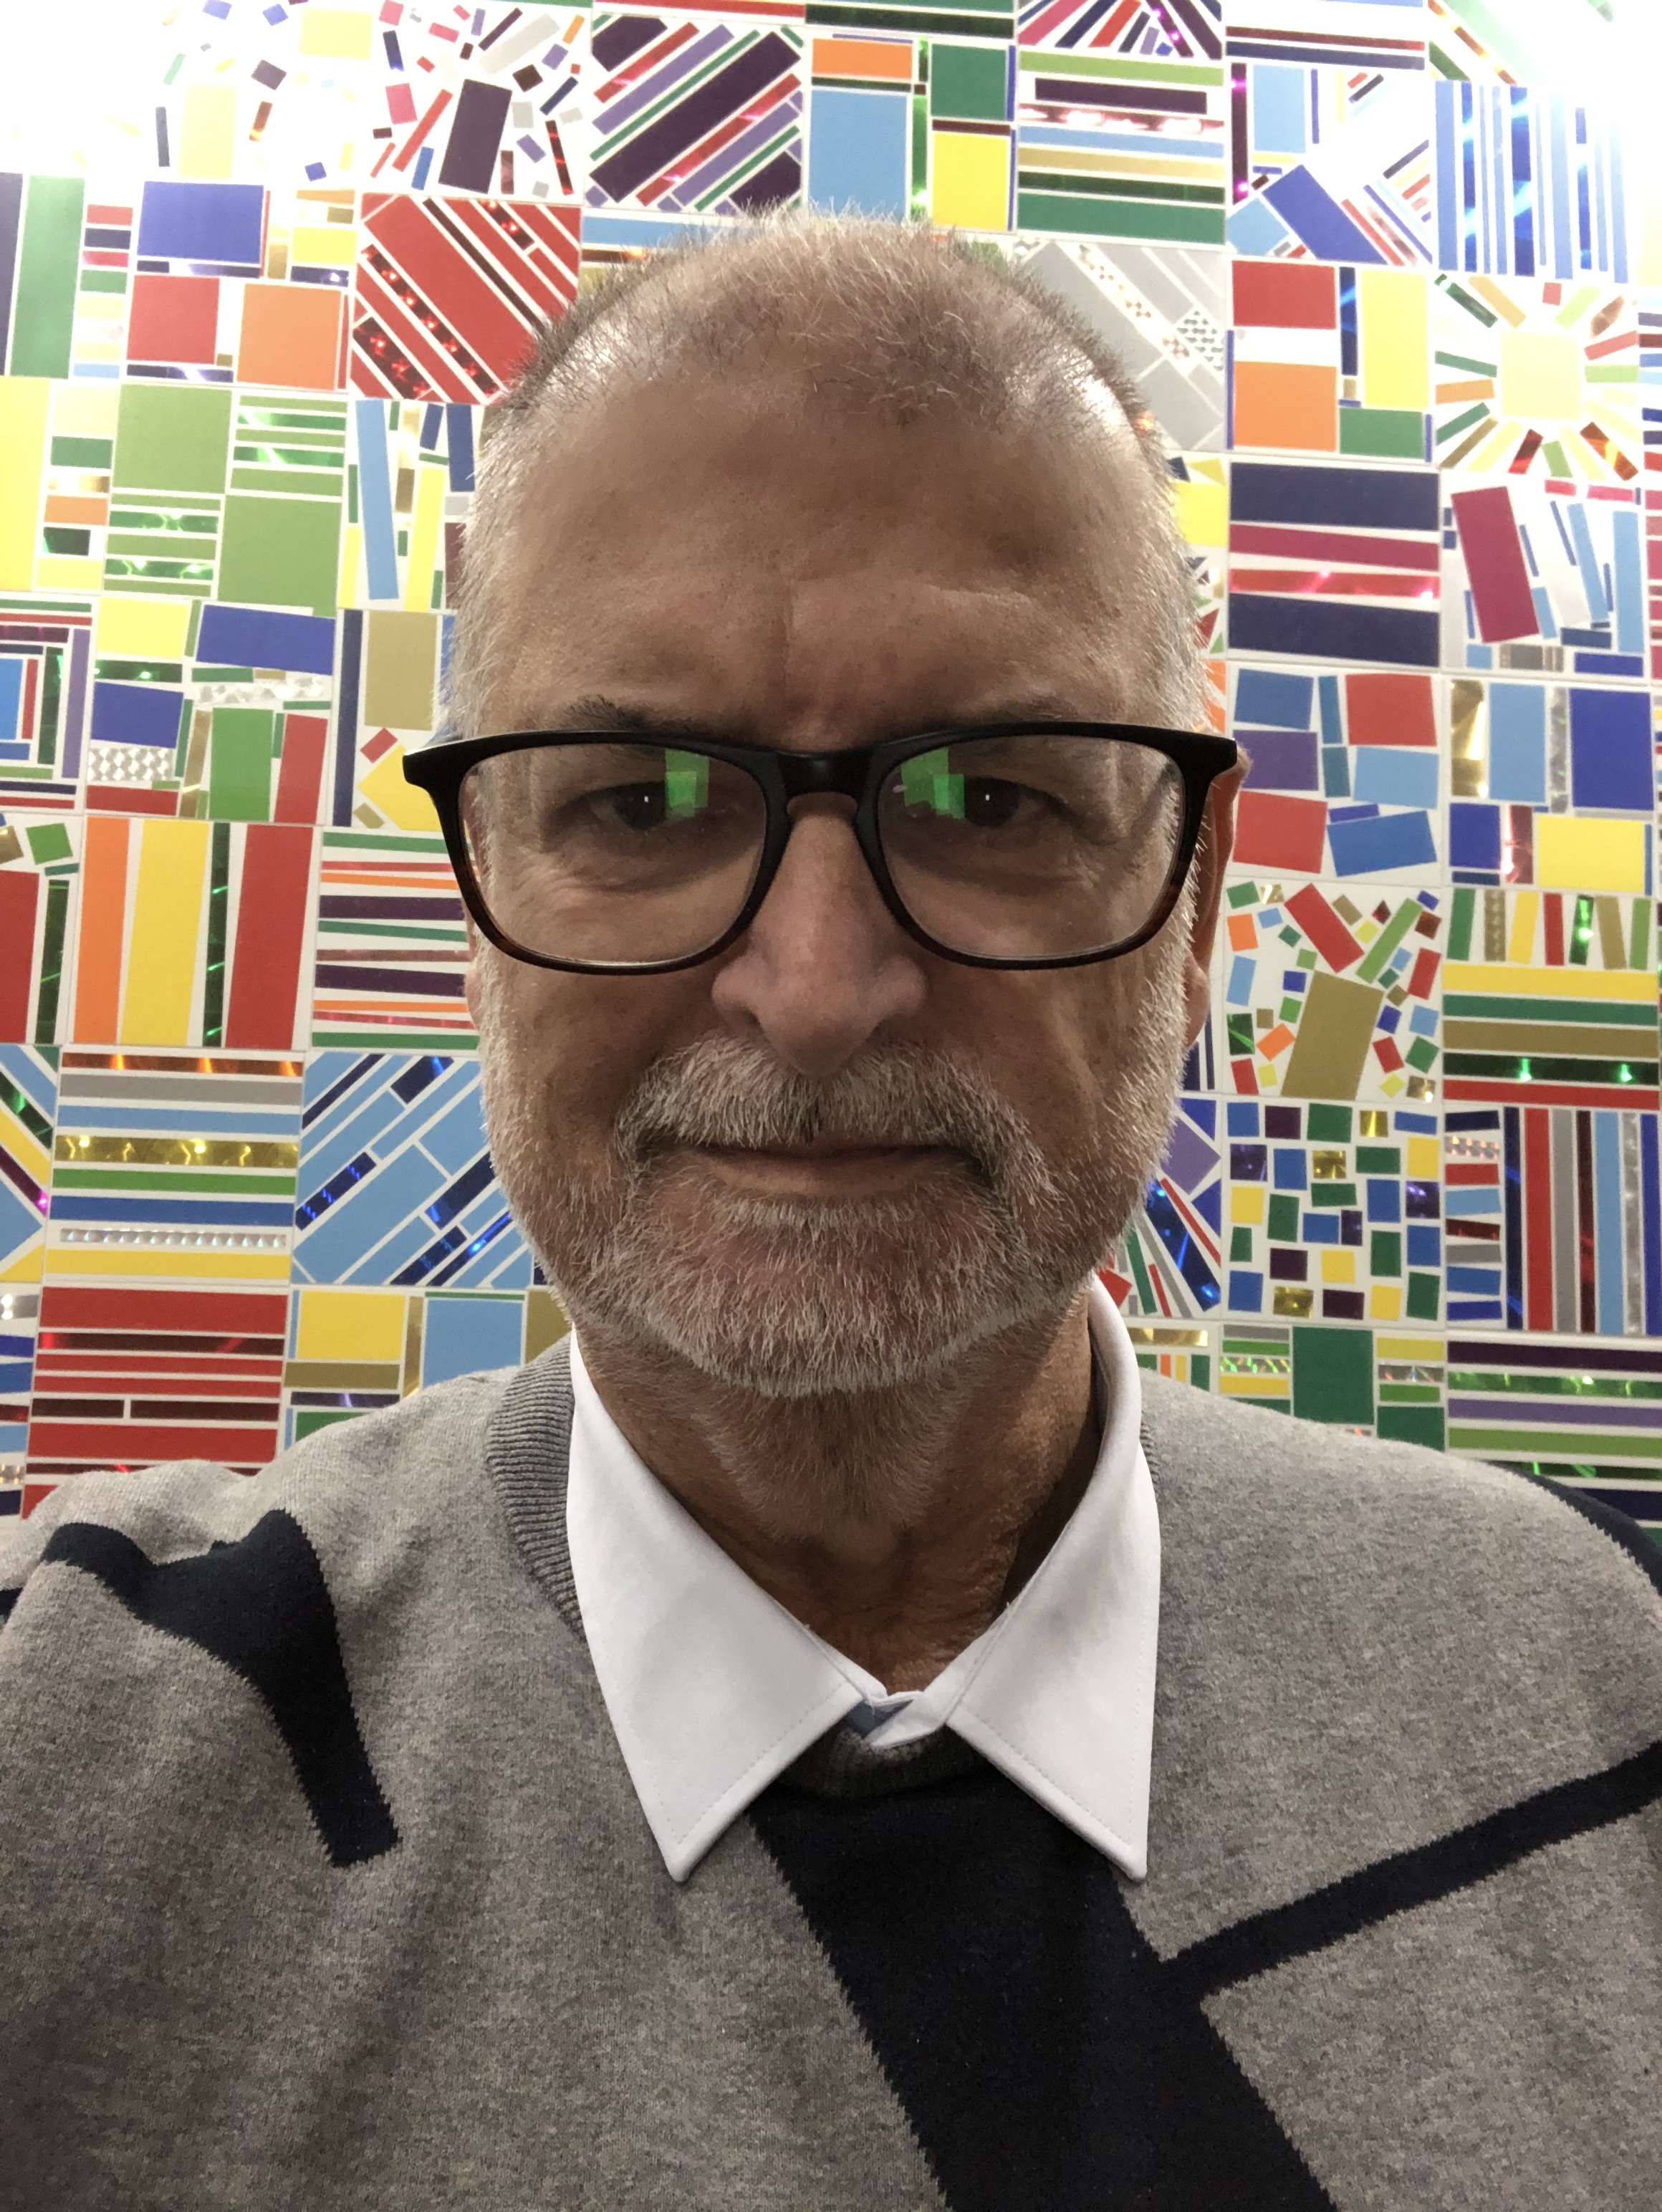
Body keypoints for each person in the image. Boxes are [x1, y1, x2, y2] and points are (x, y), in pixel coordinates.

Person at [3, 218, 1658, 2212]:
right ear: (476, 891)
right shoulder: (76, 1759)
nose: (813, 990)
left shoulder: (1602, 1685)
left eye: (992, 802)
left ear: (1197, 894)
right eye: (636, 801)